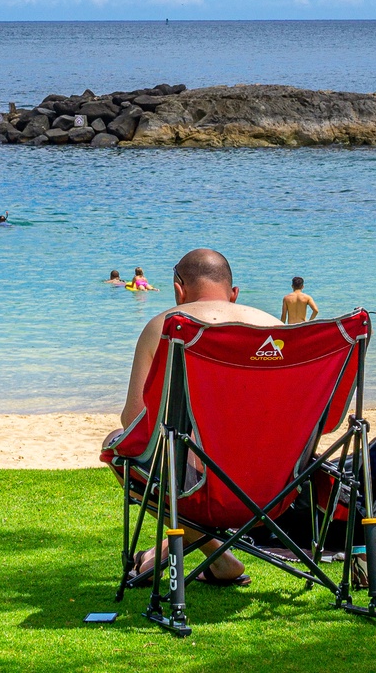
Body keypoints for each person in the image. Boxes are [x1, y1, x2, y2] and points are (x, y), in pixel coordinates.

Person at [118, 249, 281, 586]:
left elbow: (133, 421)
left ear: (179, 289)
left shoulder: (165, 326)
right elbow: (319, 422)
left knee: (118, 448)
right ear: (234, 294)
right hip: (278, 488)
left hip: (203, 491)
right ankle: (206, 553)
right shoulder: (276, 329)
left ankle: (218, 554)